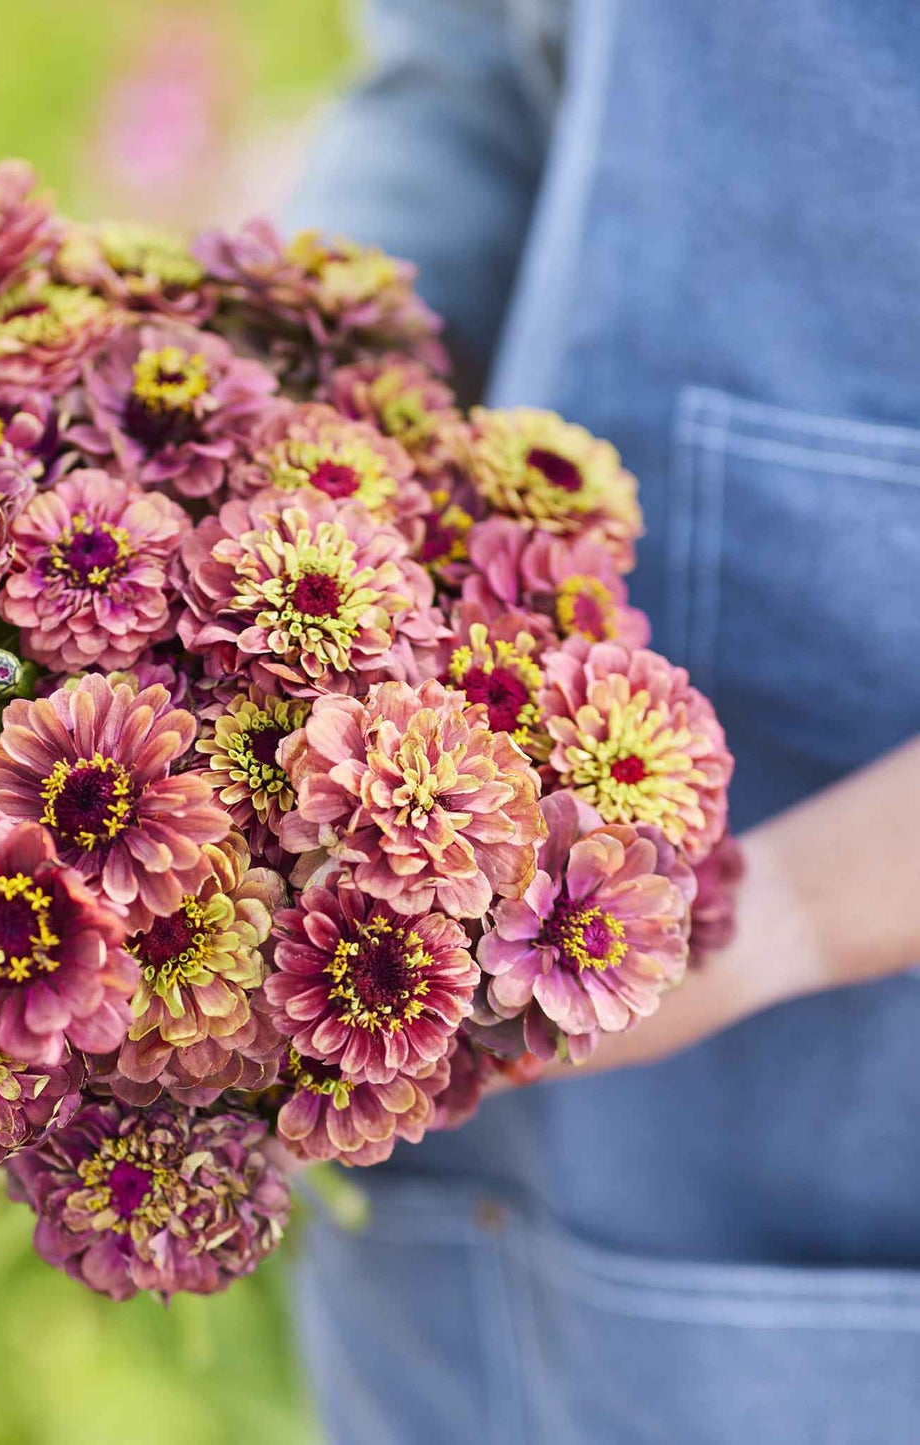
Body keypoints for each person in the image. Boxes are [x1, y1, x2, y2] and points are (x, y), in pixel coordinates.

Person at [284, 2, 920, 1439]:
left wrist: (779, 920)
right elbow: (464, 82)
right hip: (454, 997)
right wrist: (269, 403)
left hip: (855, 1045)